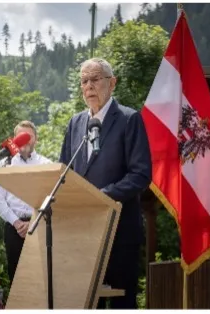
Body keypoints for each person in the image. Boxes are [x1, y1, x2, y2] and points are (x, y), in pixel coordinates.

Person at [59, 58, 152, 309]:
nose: (89, 86)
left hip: (120, 230)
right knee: (89, 302)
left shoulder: (129, 119)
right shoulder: (75, 123)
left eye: (95, 79)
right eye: (84, 81)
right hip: (84, 231)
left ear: (112, 83)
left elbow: (141, 174)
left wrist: (102, 196)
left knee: (122, 302)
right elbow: (64, 172)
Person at [0, 120, 51, 284]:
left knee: (40, 277)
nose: (25, 140)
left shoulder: (46, 164)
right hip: (13, 227)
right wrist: (17, 223)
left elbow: (49, 198)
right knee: (16, 277)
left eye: (29, 136)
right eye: (21, 136)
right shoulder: (4, 164)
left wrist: (33, 221)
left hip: (38, 226)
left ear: (36, 140)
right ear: (14, 139)